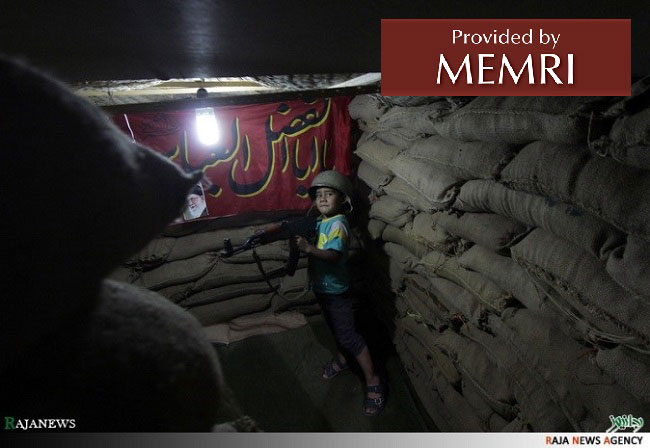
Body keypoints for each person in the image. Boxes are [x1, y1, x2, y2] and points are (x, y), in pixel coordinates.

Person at [295, 170, 386, 417]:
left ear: (342, 200)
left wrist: (309, 249)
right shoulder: (322, 222)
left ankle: (373, 380)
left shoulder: (338, 224)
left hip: (337, 292)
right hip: (324, 290)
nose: (322, 199)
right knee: (337, 331)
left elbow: (333, 256)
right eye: (318, 195)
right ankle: (345, 359)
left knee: (350, 337)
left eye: (329, 194)